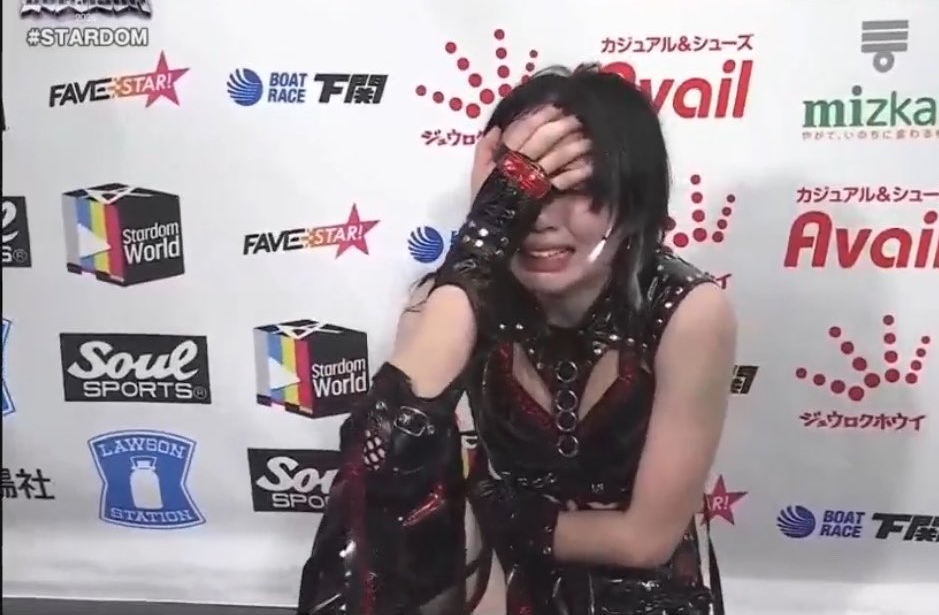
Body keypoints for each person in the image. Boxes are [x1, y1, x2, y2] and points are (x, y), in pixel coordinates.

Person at [297, 64, 738, 615]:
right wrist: (481, 242)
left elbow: (643, 541)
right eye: (519, 188)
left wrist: (479, 515)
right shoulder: (446, 302)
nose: (539, 219)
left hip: (642, 592)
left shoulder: (689, 311)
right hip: (501, 576)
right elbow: (377, 472)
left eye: (576, 188)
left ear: (634, 200)